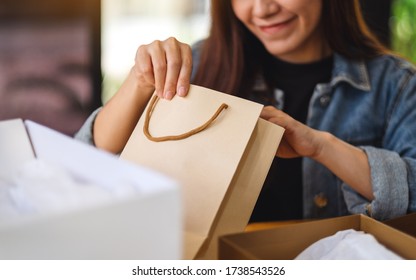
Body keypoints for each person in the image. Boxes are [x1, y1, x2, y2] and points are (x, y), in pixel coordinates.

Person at [75, 0, 416, 222]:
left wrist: (321, 147)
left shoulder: (396, 85)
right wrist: (139, 81)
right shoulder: (198, 67)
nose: (262, 9)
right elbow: (78, 167)